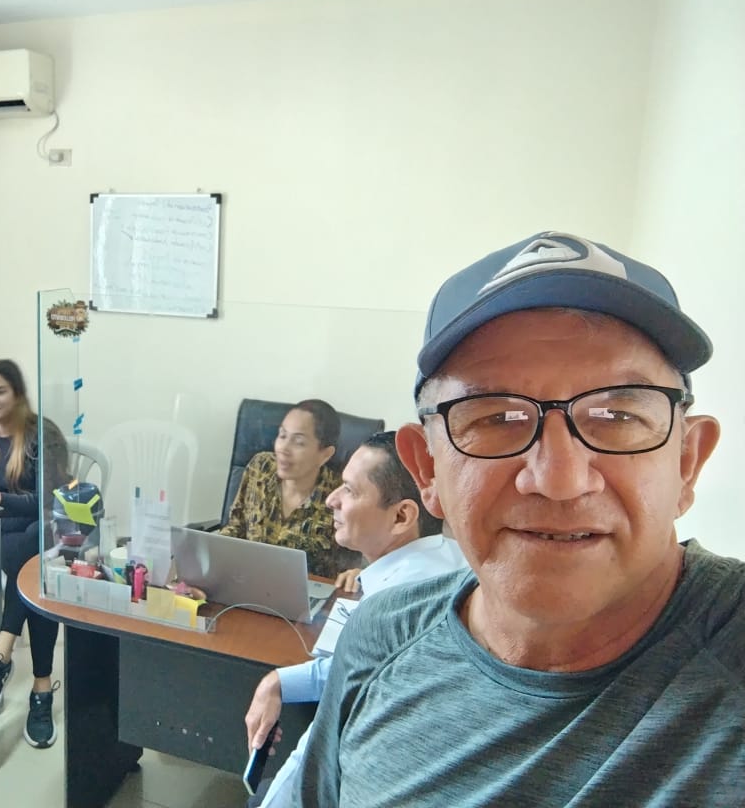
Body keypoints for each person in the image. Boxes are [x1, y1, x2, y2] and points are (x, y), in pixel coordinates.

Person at [288, 232, 741, 806]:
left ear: (687, 462)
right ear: (427, 469)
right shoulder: (378, 639)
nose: (559, 480)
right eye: (496, 417)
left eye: (616, 415)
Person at [243, 431, 466, 807]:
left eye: (349, 490)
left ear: (401, 516)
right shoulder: (447, 561)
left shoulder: (400, 604)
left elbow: (313, 755)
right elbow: (351, 666)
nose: (331, 499)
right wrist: (279, 681)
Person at [0, 359, 69, 749]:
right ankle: (41, 689)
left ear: (17, 395)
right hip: (0, 537)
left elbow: (50, 503)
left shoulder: (42, 435)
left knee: (34, 550)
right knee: (31, 572)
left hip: (43, 532)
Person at [221, 399, 358, 578]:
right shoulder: (260, 468)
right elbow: (236, 527)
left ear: (325, 454)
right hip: (248, 578)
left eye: (298, 442)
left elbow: (354, 563)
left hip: (307, 590)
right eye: (282, 435)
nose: (283, 449)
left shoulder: (340, 497)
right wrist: (211, 550)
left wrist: (356, 574)